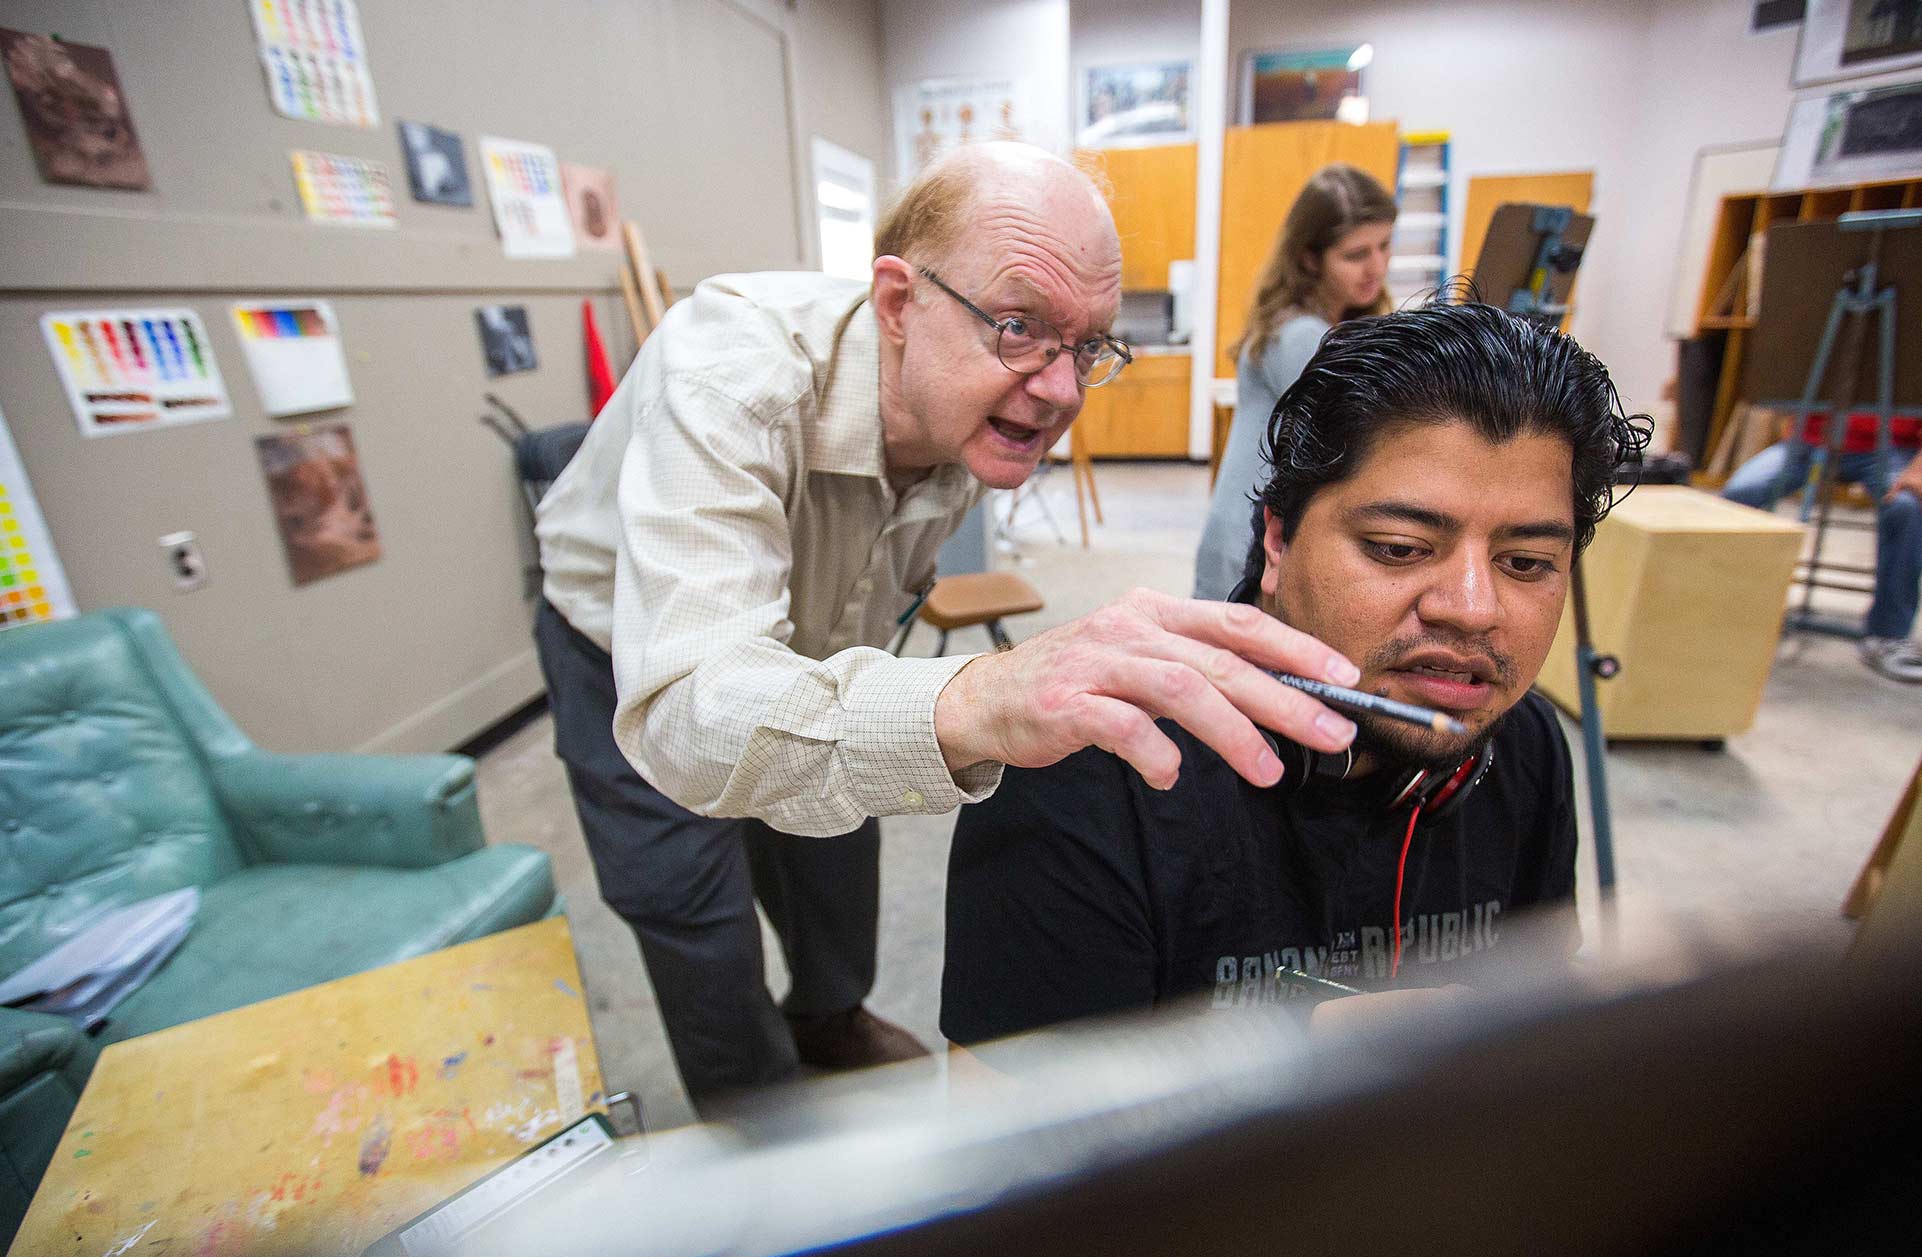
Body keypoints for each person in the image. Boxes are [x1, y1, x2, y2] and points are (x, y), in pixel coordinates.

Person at [532, 143, 1361, 1111]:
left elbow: (852, 683)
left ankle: (829, 1014)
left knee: (834, 828)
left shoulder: (961, 399)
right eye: (1018, 326)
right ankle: (756, 1128)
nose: (1059, 390)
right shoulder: (727, 369)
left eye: (1086, 343)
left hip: (821, 626)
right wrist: (973, 696)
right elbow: (691, 709)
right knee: (687, 899)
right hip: (626, 647)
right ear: (894, 304)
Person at [941, 301, 1648, 1047]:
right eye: (1400, 547)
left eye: (1527, 564)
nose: (1473, 610)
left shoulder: (1526, 745)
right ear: (1278, 538)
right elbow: (1017, 1142)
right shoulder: (1088, 771)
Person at [1720, 324, 1922, 684]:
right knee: (1741, 492)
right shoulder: (1825, 292)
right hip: (1811, 440)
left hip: (1892, 448)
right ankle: (1727, 610)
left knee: (1912, 507)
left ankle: (1889, 634)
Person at [1192, 164, 1397, 600]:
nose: (1376, 267)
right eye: (1356, 255)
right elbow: (1379, 427)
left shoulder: (1331, 325)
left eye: (1384, 246)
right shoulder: (1298, 335)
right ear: (1309, 258)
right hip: (1248, 550)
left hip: (1263, 537)